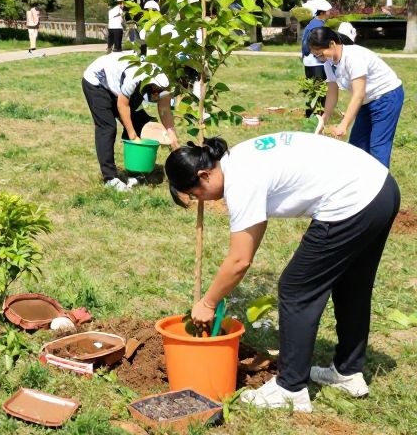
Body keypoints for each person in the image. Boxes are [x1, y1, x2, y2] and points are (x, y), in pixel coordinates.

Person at [165, 133, 399, 412]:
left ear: (204, 175)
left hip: (352, 202)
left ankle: (290, 388)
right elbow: (254, 233)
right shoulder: (240, 158)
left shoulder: (241, 180)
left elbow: (240, 260)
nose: (200, 200)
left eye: (195, 194)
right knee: (352, 284)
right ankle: (347, 372)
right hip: (380, 187)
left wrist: (207, 302)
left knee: (296, 288)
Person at [307, 26, 404, 168]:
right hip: (366, 101)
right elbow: (332, 92)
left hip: (386, 97)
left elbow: (359, 94)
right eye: (316, 56)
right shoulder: (329, 63)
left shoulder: (353, 57)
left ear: (332, 44)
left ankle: (382, 186)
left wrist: (343, 125)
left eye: (320, 54)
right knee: (357, 147)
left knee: (378, 146)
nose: (319, 59)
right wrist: (323, 120)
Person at [81, 51, 179, 191]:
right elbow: (122, 105)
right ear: (148, 87)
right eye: (154, 94)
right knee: (108, 127)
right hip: (97, 81)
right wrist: (133, 135)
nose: (156, 95)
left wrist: (172, 137)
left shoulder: (164, 84)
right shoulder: (135, 78)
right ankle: (110, 178)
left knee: (143, 123)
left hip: (119, 86)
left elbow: (165, 110)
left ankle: (136, 171)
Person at [300, 0, 331, 116]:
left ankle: (309, 112)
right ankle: (319, 114)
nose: (330, 13)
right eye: (328, 11)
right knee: (320, 89)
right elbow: (316, 44)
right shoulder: (318, 26)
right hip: (316, 62)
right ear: (322, 12)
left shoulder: (312, 23)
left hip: (308, 61)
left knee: (312, 88)